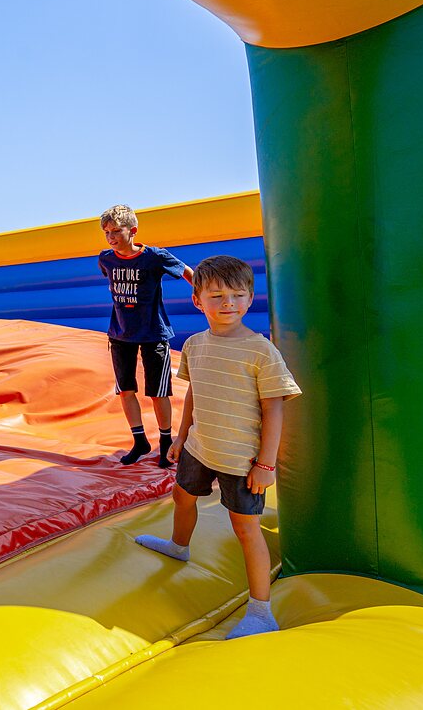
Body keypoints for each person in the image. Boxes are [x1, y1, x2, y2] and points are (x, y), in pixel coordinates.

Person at [135, 255, 301, 639]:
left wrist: (267, 464)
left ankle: (261, 612)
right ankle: (179, 546)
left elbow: (273, 409)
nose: (228, 303)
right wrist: (180, 435)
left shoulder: (261, 351)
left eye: (237, 295)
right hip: (200, 445)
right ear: (198, 300)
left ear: (250, 299)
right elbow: (196, 390)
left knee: (246, 529)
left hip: (241, 458)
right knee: (182, 495)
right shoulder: (194, 344)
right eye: (217, 295)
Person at [99, 204, 195, 466]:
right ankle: (139, 440)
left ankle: (166, 442)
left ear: (133, 230)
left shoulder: (154, 256)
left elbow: (186, 271)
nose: (111, 237)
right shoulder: (106, 258)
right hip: (120, 334)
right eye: (107, 233)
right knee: (126, 390)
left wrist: (202, 293)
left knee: (158, 391)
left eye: (116, 231)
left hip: (153, 332)